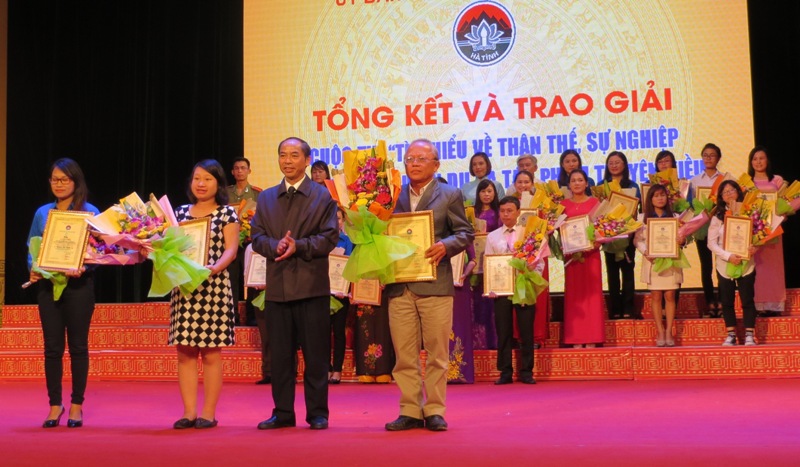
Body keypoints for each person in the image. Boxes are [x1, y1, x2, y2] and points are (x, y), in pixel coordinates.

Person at [384, 138, 474, 432]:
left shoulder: (449, 194)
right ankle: (410, 409)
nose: (414, 164)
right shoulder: (391, 196)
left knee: (437, 353)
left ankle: (434, 409)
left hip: (435, 283)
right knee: (404, 354)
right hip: (399, 284)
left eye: (421, 159)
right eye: (410, 159)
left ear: (436, 165)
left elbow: (465, 233)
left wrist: (446, 245)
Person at [251, 137, 339, 431]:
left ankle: (317, 413)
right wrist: (274, 245)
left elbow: (329, 238)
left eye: (293, 155)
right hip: (278, 289)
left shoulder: (322, 195)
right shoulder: (266, 198)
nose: (287, 161)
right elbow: (257, 237)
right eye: (282, 155)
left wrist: (298, 246)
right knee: (281, 357)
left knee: (316, 355)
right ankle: (283, 412)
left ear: (307, 160)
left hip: (312, 287)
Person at [27, 158, 100, 428]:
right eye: (54, 179)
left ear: (75, 181)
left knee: (78, 347)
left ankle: (77, 405)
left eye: (64, 179)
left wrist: (85, 265)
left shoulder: (89, 212)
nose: (58, 184)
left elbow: (100, 251)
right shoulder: (42, 213)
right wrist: (33, 268)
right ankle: (55, 405)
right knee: (52, 348)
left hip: (79, 287)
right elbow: (32, 246)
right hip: (48, 287)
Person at [170, 159, 239, 430]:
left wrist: (215, 268)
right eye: (197, 178)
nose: (201, 183)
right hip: (185, 287)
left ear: (218, 184)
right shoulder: (180, 213)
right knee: (184, 351)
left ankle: (208, 413)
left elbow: (231, 249)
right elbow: (170, 248)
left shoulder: (226, 213)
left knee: (211, 352)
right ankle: (188, 413)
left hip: (213, 287)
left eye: (208, 179)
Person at [485, 196, 539, 384]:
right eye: (502, 211)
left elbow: (538, 261)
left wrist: (531, 272)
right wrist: (491, 287)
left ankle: (527, 371)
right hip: (502, 290)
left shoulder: (528, 234)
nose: (506, 214)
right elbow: (489, 263)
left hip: (524, 287)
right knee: (503, 331)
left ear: (518, 212)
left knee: (526, 331)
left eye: (509, 211)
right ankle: (505, 372)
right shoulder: (493, 236)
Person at [707, 180, 758, 346]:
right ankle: (731, 334)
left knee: (747, 300)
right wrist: (728, 256)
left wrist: (755, 247)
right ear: (721, 197)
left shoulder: (750, 213)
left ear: (738, 192)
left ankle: (749, 335)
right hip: (724, 265)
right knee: (727, 301)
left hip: (746, 263)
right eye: (725, 192)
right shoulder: (717, 217)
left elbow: (759, 235)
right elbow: (711, 243)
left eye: (732, 190)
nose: (729, 194)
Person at [634, 184, 685, 346]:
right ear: (650, 199)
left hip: (671, 262)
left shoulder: (676, 217)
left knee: (670, 296)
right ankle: (660, 331)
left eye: (662, 195)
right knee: (656, 296)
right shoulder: (642, 218)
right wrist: (646, 252)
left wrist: (681, 240)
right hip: (653, 261)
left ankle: (669, 330)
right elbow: (637, 240)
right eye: (656, 196)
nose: (660, 198)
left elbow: (682, 239)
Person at [561, 169, 605, 348]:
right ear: (569, 184)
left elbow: (602, 227)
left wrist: (597, 242)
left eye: (580, 180)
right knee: (575, 297)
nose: (577, 183)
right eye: (573, 180)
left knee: (592, 295)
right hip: (572, 257)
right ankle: (576, 338)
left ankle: (592, 336)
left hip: (591, 255)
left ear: (587, 183)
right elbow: (559, 230)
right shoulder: (562, 205)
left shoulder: (595, 203)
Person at [688, 143, 727, 318]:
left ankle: (723, 301)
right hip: (702, 228)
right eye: (705, 155)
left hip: (721, 227)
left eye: (712, 155)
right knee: (706, 266)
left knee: (722, 265)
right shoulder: (695, 181)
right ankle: (710, 302)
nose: (708, 158)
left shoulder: (725, 179)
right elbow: (690, 206)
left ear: (718, 158)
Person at [602, 151, 642, 320]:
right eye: (611, 163)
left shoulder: (633, 186)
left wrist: (632, 231)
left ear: (624, 165)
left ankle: (628, 308)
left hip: (628, 235)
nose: (614, 165)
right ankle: (615, 309)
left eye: (617, 162)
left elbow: (637, 210)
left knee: (627, 272)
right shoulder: (601, 186)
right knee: (612, 273)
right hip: (609, 236)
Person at [748, 146, 786, 317]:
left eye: (761, 158)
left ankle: (775, 305)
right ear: (751, 162)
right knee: (758, 269)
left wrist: (782, 214)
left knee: (774, 269)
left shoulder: (777, 181)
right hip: (755, 234)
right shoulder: (747, 183)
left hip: (773, 231)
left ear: (767, 160)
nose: (758, 162)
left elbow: (785, 202)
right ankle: (759, 305)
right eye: (755, 159)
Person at [226, 157, 262, 327]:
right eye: (237, 168)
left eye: (243, 168)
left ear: (249, 171)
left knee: (252, 279)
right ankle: (232, 315)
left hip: (249, 242)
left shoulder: (257, 193)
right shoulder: (225, 193)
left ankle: (252, 315)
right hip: (230, 242)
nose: (240, 171)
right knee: (231, 279)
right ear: (232, 172)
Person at [471, 179, 500, 350]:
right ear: (478, 194)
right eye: (483, 191)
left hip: (493, 263)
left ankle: (492, 343)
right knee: (476, 303)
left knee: (491, 303)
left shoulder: (498, 213)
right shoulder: (471, 213)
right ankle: (477, 343)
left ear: (495, 193)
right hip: (475, 264)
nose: (486, 194)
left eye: (489, 191)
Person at [653, 150, 683, 307]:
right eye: (660, 162)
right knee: (658, 275)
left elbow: (688, 208)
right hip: (655, 235)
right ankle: (662, 309)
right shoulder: (651, 185)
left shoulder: (681, 184)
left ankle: (672, 306)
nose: (663, 164)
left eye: (667, 161)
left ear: (673, 163)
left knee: (674, 272)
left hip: (675, 230)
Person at [329, 206, 354, 384]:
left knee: (339, 332)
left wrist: (344, 289)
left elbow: (351, 266)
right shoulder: (321, 240)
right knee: (321, 333)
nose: (335, 221)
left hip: (340, 294)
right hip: (322, 293)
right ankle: (325, 368)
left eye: (338, 218)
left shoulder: (347, 241)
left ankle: (337, 370)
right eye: (332, 218)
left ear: (343, 221)